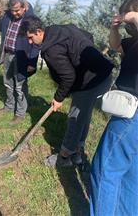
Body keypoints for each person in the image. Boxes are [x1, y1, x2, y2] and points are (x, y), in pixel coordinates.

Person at [20, 16, 114, 166]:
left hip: (90, 81)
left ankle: (64, 157)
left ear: (38, 31)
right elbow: (88, 36)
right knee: (84, 114)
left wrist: (58, 98)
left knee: (74, 118)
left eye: (30, 38)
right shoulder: (58, 29)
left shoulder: (51, 49)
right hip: (103, 74)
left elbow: (68, 77)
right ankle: (77, 151)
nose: (30, 42)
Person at [89, 0, 138, 216]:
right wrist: (115, 28)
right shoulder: (134, 42)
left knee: (104, 171)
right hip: (130, 115)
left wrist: (132, 15)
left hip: (131, 118)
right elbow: (115, 45)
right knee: (130, 175)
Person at [0, 0, 39, 125]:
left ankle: (20, 113)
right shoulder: (8, 15)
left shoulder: (31, 20)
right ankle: (9, 107)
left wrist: (32, 63)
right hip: (8, 54)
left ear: (24, 8)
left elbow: (36, 44)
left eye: (17, 10)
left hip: (22, 57)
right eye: (12, 10)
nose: (15, 13)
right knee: (7, 83)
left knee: (19, 86)